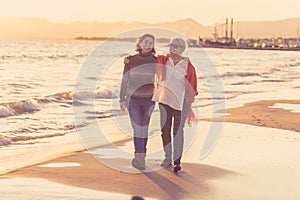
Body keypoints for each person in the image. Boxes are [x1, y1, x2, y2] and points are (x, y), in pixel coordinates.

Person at [152, 37, 198, 173]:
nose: (173, 48)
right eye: (171, 46)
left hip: (181, 102)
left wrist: (189, 101)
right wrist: (129, 59)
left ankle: (177, 161)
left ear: (182, 49)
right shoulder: (163, 60)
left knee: (178, 132)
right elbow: (146, 59)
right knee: (165, 130)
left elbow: (193, 85)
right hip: (164, 100)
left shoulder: (188, 65)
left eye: (176, 46)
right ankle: (167, 158)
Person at [119, 34, 157, 170]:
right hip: (132, 99)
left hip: (149, 100)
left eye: (151, 43)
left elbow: (168, 69)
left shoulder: (156, 61)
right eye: (145, 42)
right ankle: (138, 157)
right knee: (137, 128)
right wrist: (121, 99)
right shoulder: (130, 60)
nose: (148, 44)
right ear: (140, 44)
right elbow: (125, 80)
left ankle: (141, 159)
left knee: (144, 128)